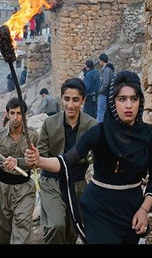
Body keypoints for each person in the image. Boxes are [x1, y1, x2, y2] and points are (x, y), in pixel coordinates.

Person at [12, 71, 152, 244]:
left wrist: (144, 209)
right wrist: (39, 161)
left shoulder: (149, 137)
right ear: (113, 102)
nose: (128, 105)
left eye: (133, 99)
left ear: (140, 102)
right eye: (122, 99)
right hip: (99, 210)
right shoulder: (97, 133)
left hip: (131, 210)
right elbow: (65, 162)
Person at [37, 78, 97, 244]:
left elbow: (97, 158)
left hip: (78, 184)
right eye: (67, 99)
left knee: (73, 231)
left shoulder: (92, 125)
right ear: (61, 99)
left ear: (83, 100)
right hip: (52, 182)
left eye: (76, 100)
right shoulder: (49, 124)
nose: (70, 105)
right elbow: (39, 156)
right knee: (56, 226)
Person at [0, 97, 39, 244]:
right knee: (2, 230)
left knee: (22, 226)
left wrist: (20, 162)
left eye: (19, 113)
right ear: (7, 114)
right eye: (12, 113)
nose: (15, 117)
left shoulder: (33, 136)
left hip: (24, 188)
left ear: (24, 115)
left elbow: (39, 160)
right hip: (1, 188)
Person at [97, 53, 115, 123]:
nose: (99, 62)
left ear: (102, 61)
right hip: (107, 93)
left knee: (101, 111)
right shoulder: (109, 69)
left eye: (99, 61)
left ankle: (100, 126)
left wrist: (100, 90)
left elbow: (105, 83)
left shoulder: (107, 70)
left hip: (104, 94)